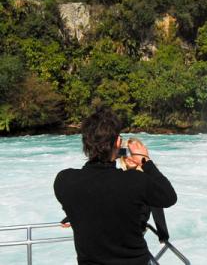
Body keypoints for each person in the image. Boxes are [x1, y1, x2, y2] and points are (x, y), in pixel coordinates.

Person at [54, 107, 177, 265]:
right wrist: (146, 161)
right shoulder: (135, 181)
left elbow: (93, 200)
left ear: (85, 142)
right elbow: (168, 197)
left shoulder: (64, 180)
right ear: (118, 142)